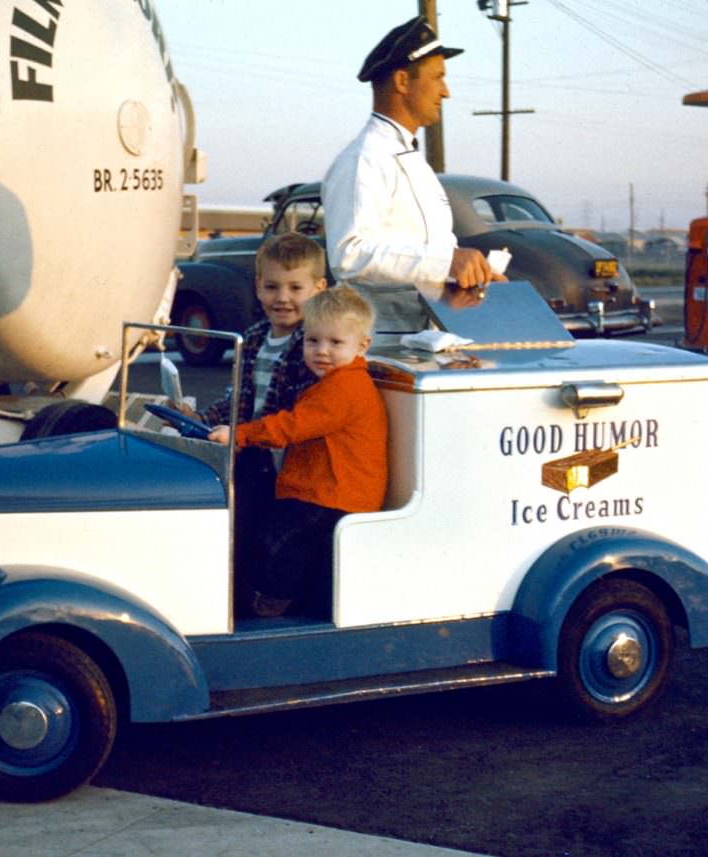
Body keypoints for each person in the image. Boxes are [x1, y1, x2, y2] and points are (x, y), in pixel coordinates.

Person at [208, 286, 388, 619]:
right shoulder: (331, 382)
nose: (322, 351)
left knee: (278, 546)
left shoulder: (345, 389)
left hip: (332, 496)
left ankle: (268, 608)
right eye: (312, 340)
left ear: (362, 345)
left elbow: (293, 426)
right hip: (319, 490)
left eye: (335, 343)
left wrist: (239, 435)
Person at [321, 15, 504, 334]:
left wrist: (471, 274)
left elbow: (430, 251)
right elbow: (348, 253)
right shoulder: (365, 158)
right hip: (378, 342)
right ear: (403, 82)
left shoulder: (412, 160)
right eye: (438, 77)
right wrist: (446, 262)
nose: (445, 92)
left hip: (426, 336)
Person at [190, 232, 327, 608]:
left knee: (259, 533)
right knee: (234, 523)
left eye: (295, 287)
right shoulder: (251, 339)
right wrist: (200, 418)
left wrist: (242, 435)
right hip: (250, 452)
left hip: (285, 463)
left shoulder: (313, 345)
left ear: (318, 288)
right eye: (272, 286)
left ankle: (254, 606)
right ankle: (226, 599)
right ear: (258, 287)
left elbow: (295, 415)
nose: (283, 297)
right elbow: (239, 399)